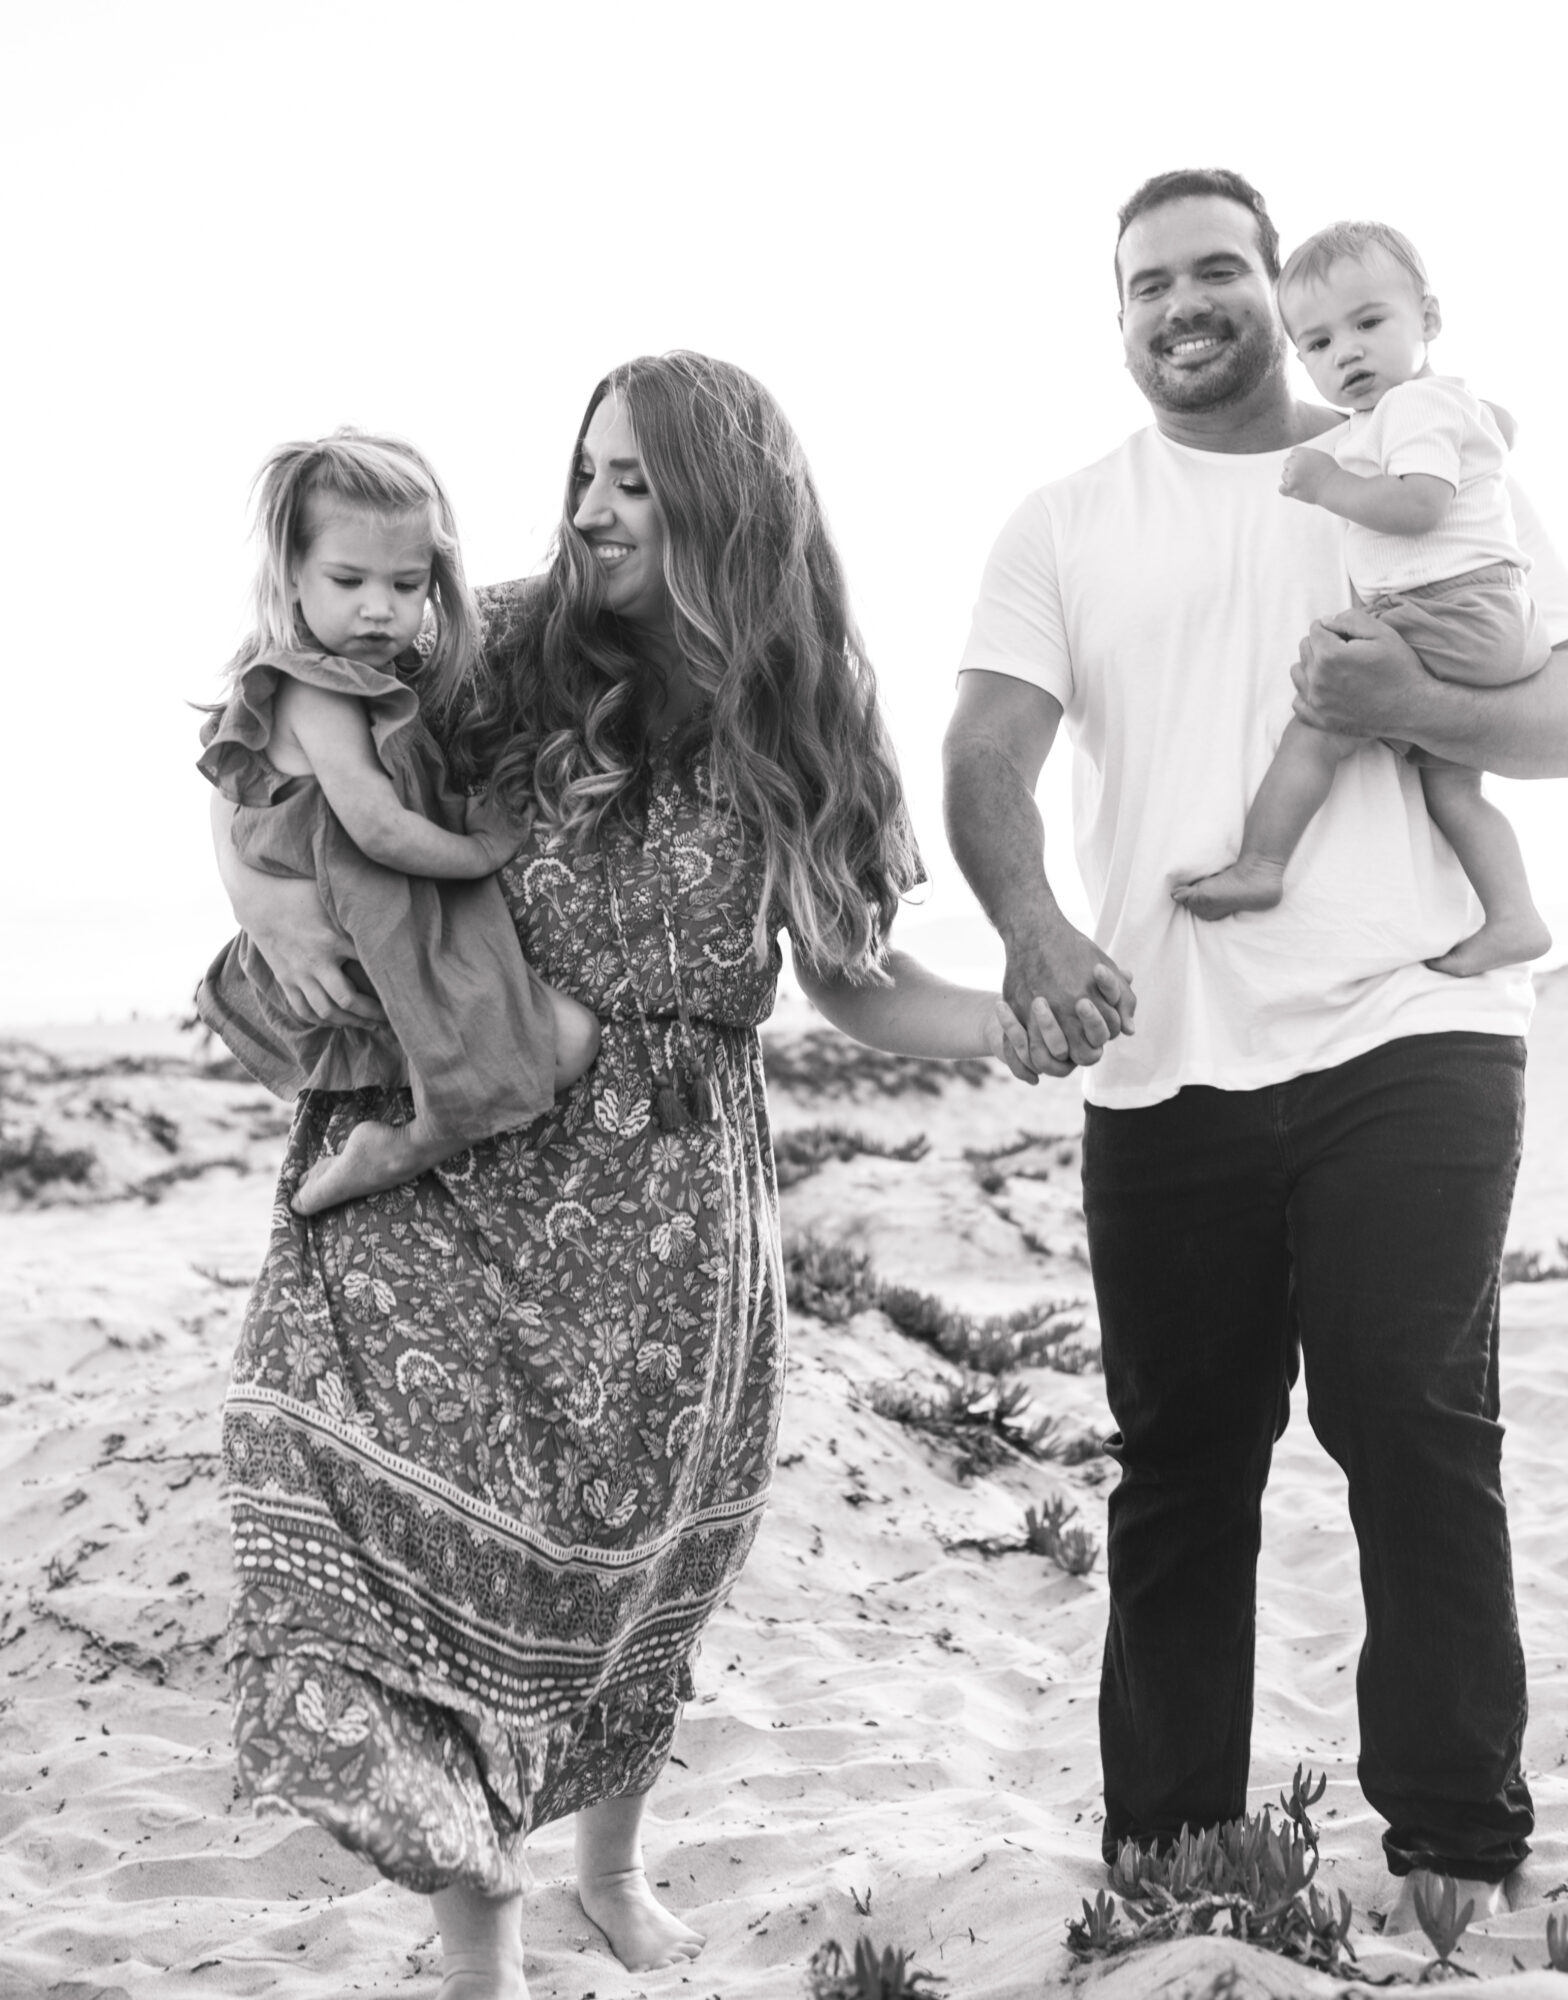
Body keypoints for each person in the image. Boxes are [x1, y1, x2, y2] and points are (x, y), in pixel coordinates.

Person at [210, 353, 1031, 1998]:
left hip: (670, 1177)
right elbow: (273, 726)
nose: (589, 508)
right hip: (468, 1152)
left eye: (634, 481)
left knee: (632, 1563)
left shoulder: (797, 712)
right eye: (586, 472)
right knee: (358, 1504)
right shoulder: (505, 643)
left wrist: (1010, 1022)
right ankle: (480, 1942)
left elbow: (853, 980)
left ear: (726, 503)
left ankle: (612, 1869)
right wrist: (268, 904)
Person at [942, 168, 1568, 1923]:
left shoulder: (1411, 457)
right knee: (1181, 1460)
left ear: (1272, 286)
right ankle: (1170, 1852)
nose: (1183, 305)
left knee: (1410, 1417)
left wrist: (1415, 703)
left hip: (1413, 1018)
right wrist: (1030, 922)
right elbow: (986, 755)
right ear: (1117, 318)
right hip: (1162, 1049)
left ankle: (1455, 1841)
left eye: (1217, 271)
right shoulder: (1064, 521)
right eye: (1144, 284)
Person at [197, 429, 600, 1205]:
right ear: (289, 575)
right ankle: (395, 1151)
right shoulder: (314, 688)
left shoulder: (383, 673)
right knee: (564, 1041)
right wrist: (479, 851)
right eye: (347, 580)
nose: (380, 609)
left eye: (406, 585)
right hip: (373, 927)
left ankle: (402, 1144)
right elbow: (374, 828)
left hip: (396, 922)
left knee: (563, 1041)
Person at [1172, 220, 1552, 977]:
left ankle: (1261, 864)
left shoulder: (1408, 411)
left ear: (1430, 321)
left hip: (1447, 604)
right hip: (1493, 612)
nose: (1343, 352)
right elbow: (1499, 432)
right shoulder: (1441, 404)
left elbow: (1418, 506)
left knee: (1320, 717)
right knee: (1452, 789)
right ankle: (1514, 917)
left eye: (1368, 323)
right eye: (1314, 343)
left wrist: (1327, 484)